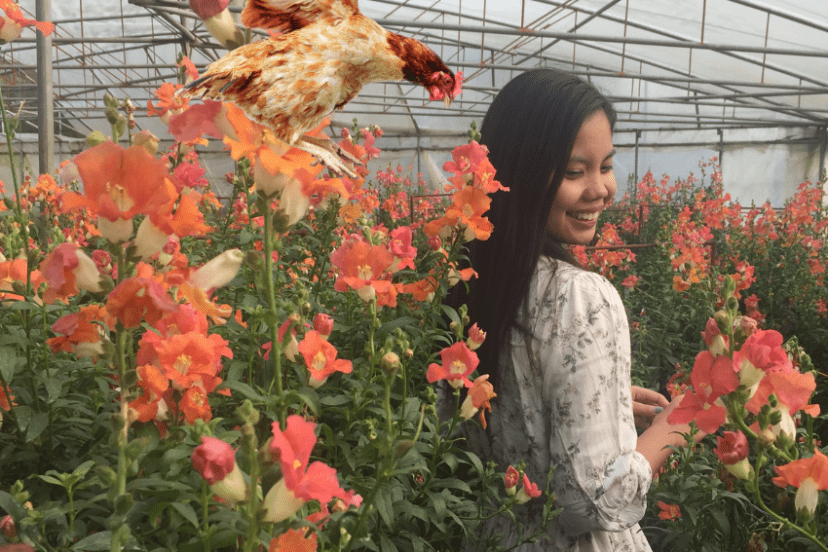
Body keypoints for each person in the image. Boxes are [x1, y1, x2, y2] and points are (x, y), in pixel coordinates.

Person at [456, 68, 706, 551]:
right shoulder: (582, 296)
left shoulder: (469, 277)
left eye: (605, 166)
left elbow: (501, 404)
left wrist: (599, 400)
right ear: (522, 175)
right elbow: (592, 500)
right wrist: (672, 429)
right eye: (574, 172)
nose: (600, 189)